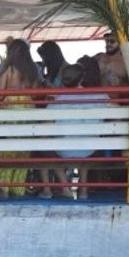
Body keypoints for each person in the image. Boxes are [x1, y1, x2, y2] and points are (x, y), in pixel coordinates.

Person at [47, 64, 112, 200]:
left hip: (64, 151)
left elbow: (46, 127)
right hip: (90, 149)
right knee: (86, 144)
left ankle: (66, 188)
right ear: (82, 79)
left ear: (63, 80)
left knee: (45, 150)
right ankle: (83, 191)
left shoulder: (56, 102)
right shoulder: (100, 97)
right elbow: (116, 109)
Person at [0, 39, 45, 198]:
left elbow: (0, 93)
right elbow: (36, 94)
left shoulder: (9, 69)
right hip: (29, 110)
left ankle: (4, 187)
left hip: (10, 109)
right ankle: (18, 187)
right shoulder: (33, 70)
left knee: (8, 149)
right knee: (23, 150)